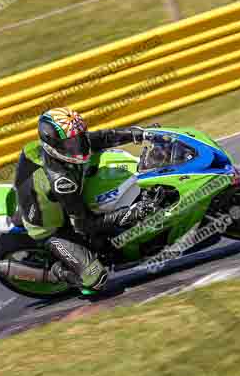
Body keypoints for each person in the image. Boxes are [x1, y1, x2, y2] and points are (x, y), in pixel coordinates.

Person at [13, 107, 156, 292]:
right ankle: (57, 272)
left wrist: (140, 133)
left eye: (79, 138)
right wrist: (128, 213)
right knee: (95, 280)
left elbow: (104, 137)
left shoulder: (70, 146)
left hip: (49, 198)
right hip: (52, 229)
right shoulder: (62, 181)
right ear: (53, 145)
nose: (79, 147)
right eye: (71, 144)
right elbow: (84, 225)